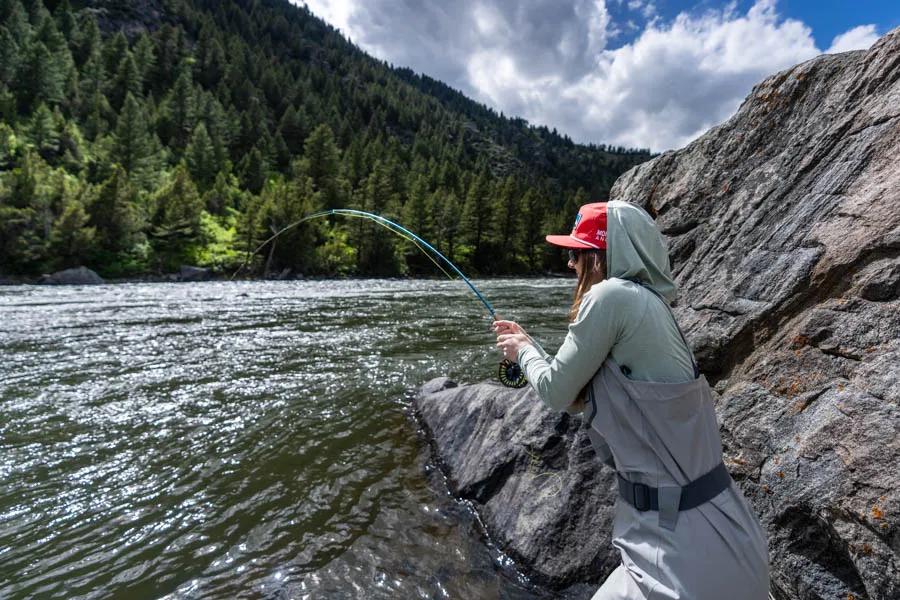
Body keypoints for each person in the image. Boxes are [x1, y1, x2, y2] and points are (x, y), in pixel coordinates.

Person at [493, 201, 769, 600]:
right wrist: (530, 347)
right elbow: (576, 391)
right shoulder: (645, 304)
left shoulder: (610, 297)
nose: (570, 264)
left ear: (603, 259)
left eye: (577, 253)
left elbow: (554, 392)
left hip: (682, 548)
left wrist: (522, 353)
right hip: (705, 531)